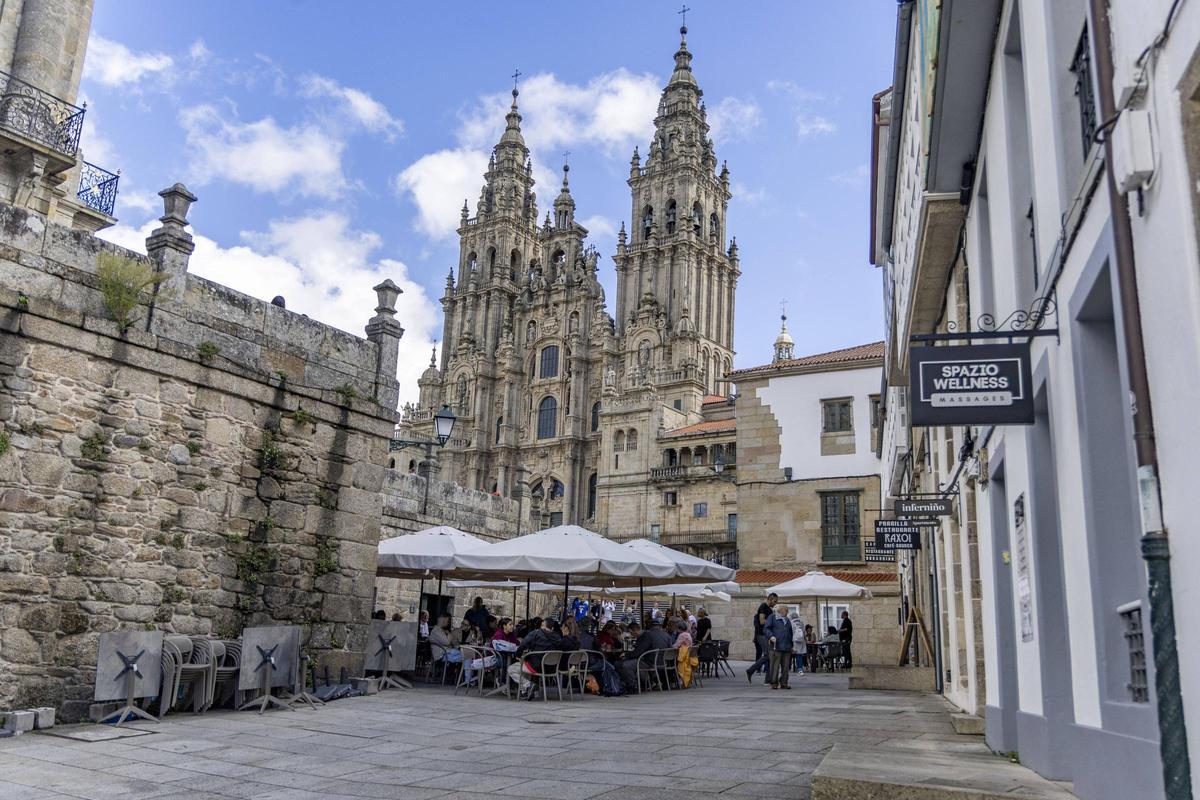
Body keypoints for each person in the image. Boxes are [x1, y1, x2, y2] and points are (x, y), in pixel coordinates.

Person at [507, 617, 564, 698]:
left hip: (537, 667)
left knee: (511, 669)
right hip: (553, 668)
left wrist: (518, 655)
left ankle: (529, 685)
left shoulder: (536, 633)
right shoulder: (558, 637)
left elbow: (523, 644)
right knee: (524, 666)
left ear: (542, 625)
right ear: (552, 627)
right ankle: (526, 693)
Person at [617, 618, 672, 691]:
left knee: (626, 665)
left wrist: (626, 655)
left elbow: (639, 652)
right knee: (629, 663)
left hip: (651, 662)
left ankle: (632, 686)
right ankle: (646, 682)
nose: (631, 634)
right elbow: (671, 647)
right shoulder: (666, 634)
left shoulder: (646, 635)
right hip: (665, 661)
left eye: (631, 632)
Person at [746, 592, 778, 682]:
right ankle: (750, 670)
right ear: (770, 599)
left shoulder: (770, 610)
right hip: (762, 634)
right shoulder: (763, 607)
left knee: (770, 656)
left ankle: (768, 679)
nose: (775, 603)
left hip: (767, 635)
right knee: (768, 655)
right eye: (775, 601)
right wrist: (773, 622)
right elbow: (762, 621)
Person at [763, 603, 795, 689]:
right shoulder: (772, 617)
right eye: (786, 610)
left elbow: (790, 633)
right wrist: (771, 636)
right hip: (775, 646)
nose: (787, 612)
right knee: (775, 666)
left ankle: (784, 683)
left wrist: (791, 646)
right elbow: (766, 628)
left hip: (786, 646)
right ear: (780, 610)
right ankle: (774, 683)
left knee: (786, 667)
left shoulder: (787, 620)